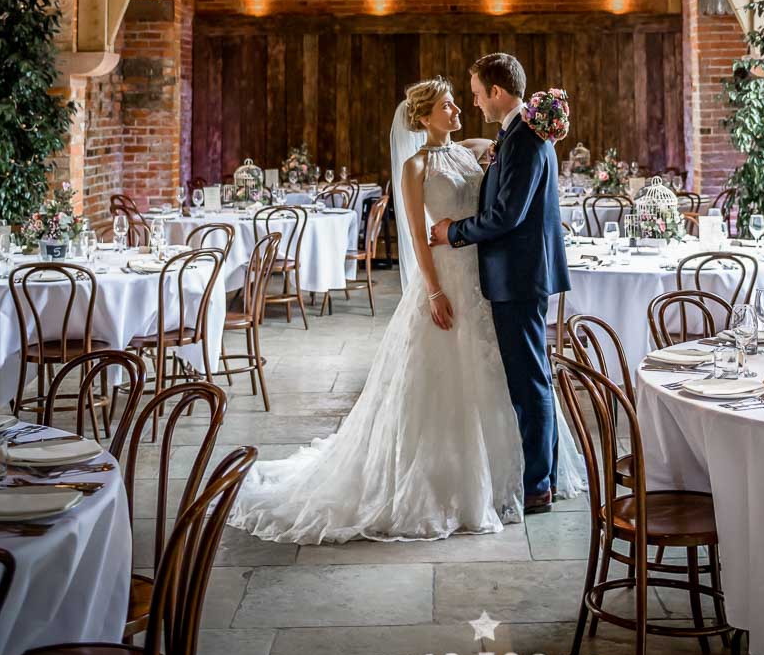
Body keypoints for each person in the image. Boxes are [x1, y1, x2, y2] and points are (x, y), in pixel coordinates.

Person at [228, 76, 579, 543]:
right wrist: (433, 291)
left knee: (498, 377)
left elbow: (506, 159)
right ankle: (452, 480)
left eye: (460, 100)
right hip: (448, 277)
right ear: (423, 117)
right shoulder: (415, 167)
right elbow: (417, 237)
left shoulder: (474, 148)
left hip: (486, 279)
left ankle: (510, 473)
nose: (459, 110)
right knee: (447, 379)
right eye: (448, 105)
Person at [431, 52, 570, 514]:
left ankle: (538, 484)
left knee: (531, 382)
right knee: (530, 378)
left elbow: (506, 216)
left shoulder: (526, 138)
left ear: (496, 91)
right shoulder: (515, 135)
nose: (473, 103)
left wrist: (453, 231)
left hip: (519, 276)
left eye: (476, 94)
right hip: (516, 275)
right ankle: (539, 476)